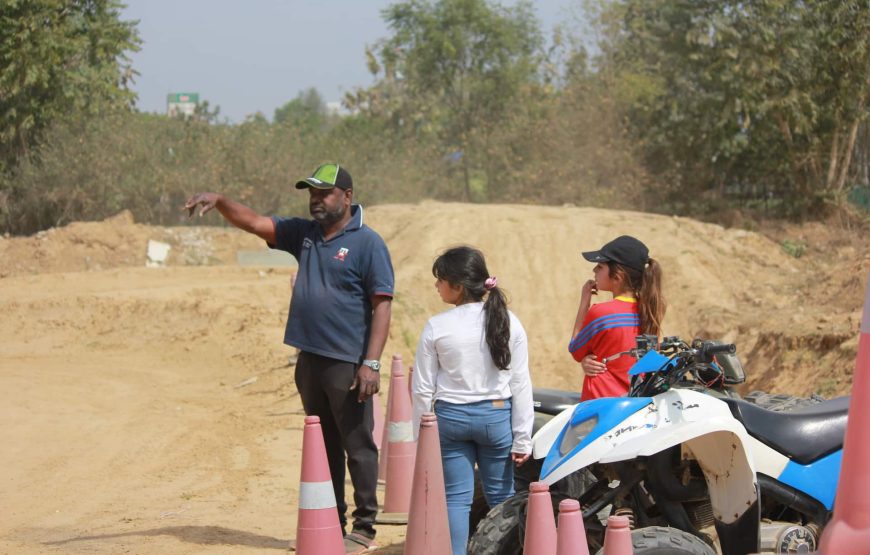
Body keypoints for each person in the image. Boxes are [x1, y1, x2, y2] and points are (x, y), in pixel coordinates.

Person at [184, 163, 393, 553]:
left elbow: (382, 305)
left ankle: (364, 527)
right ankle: (331, 519)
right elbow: (255, 223)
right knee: (324, 443)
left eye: (324, 193)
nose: (316, 200)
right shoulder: (305, 234)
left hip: (348, 363)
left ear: (346, 196)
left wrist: (372, 363)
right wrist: (221, 200)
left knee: (358, 444)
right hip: (310, 360)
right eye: (311, 193)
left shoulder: (368, 243)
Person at [411, 246, 533, 555]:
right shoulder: (509, 321)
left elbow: (423, 389)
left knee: (455, 498)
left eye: (440, 280)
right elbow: (520, 382)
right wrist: (522, 436)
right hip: (495, 418)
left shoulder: (437, 326)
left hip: (450, 420)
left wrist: (419, 438)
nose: (436, 286)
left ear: (458, 285)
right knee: (502, 496)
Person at [569, 235, 665, 402]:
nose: (594, 271)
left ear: (617, 276)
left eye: (600, 267)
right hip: (634, 404)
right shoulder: (649, 309)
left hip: (602, 405)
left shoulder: (602, 313)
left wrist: (585, 302)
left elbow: (575, 349)